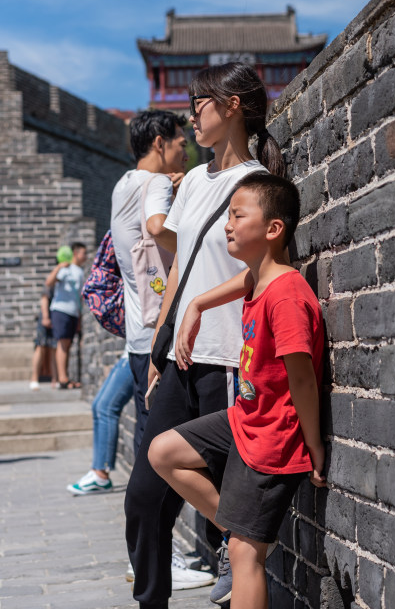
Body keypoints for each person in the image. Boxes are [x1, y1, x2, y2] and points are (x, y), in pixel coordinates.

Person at [124, 63, 285, 609]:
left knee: (227, 514)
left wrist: (198, 306)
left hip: (229, 361)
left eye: (200, 102)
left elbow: (265, 273)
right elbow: (180, 268)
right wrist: (158, 347)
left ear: (233, 105)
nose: (191, 114)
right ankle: (152, 599)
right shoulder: (192, 180)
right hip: (179, 358)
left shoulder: (260, 185)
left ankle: (237, 549)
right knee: (145, 496)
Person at [149, 172, 326, 609]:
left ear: (273, 229)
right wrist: (195, 303)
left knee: (247, 556)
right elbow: (246, 284)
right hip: (245, 418)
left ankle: (242, 534)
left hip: (273, 436)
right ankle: (236, 525)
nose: (227, 225)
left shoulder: (285, 295)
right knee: (163, 452)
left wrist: (314, 444)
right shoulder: (260, 279)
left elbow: (302, 377)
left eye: (236, 215)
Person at [67, 109, 188, 497]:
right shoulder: (156, 184)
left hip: (137, 336)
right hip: (161, 337)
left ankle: (146, 554)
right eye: (181, 144)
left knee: (145, 437)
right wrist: (194, 247)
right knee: (162, 447)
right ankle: (152, 555)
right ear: (159, 143)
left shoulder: (123, 185)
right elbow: (155, 227)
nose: (187, 153)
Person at [46, 242, 87, 389]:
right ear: (75, 253)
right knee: (62, 344)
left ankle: (65, 377)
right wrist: (59, 267)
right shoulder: (66, 269)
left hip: (73, 312)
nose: (86, 256)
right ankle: (62, 379)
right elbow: (49, 282)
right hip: (61, 310)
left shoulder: (80, 271)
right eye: (83, 253)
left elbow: (80, 296)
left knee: (67, 345)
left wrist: (80, 317)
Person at [29, 285, 57, 390]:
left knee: (55, 347)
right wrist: (45, 317)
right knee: (41, 346)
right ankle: (34, 378)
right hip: (46, 317)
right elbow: (44, 298)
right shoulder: (52, 279)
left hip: (56, 316)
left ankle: (55, 379)